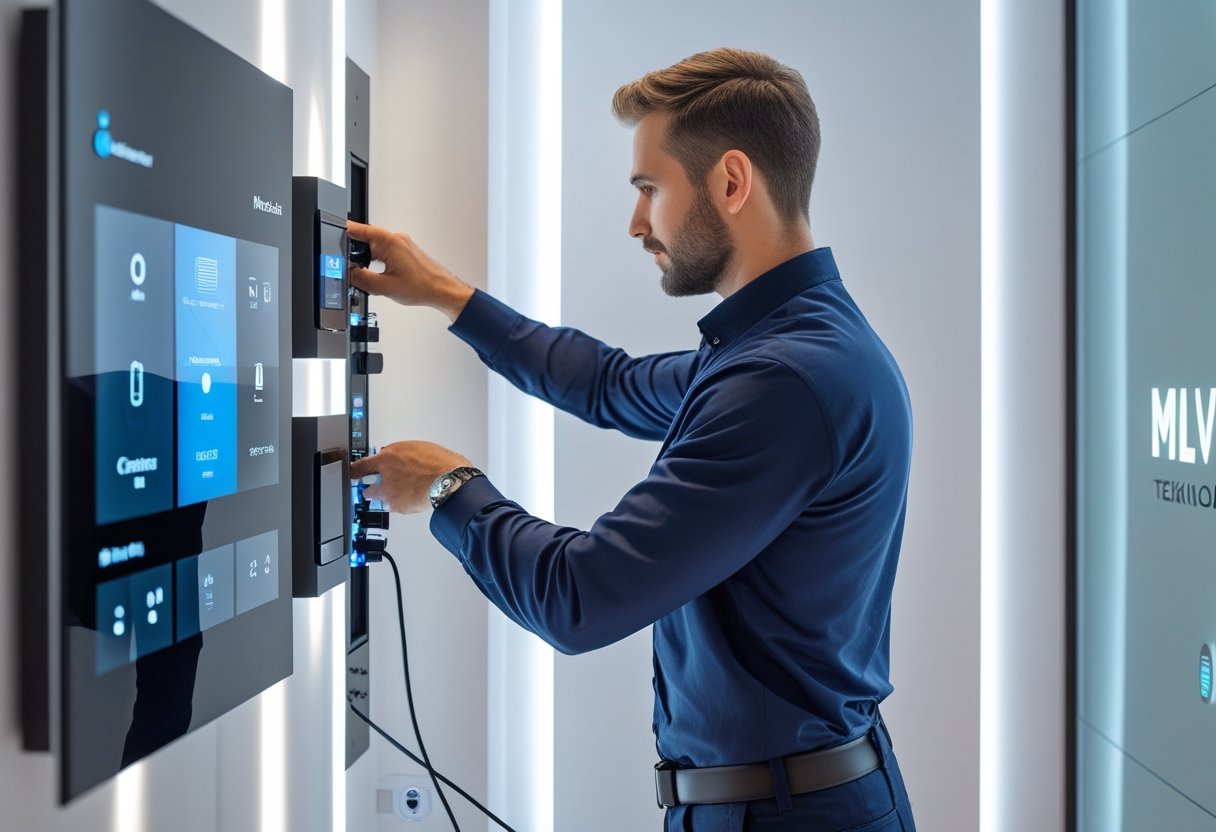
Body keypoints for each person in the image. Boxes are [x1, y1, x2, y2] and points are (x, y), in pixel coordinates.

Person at [348, 47, 916, 832]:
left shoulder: (784, 380)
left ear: (732, 181)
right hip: (781, 801)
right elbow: (610, 383)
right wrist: (446, 293)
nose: (637, 222)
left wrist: (449, 489)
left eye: (650, 188)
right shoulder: (781, 349)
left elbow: (580, 597)